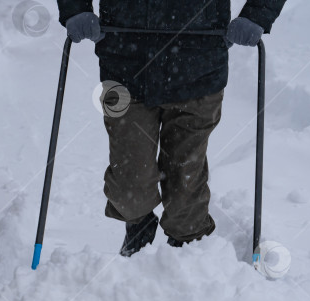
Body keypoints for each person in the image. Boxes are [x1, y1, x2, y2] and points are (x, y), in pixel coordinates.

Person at [56, 1, 286, 256]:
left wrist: (257, 15)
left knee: (184, 182)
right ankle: (138, 226)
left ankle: (189, 250)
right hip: (123, 65)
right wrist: (75, 8)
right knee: (128, 184)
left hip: (199, 68)